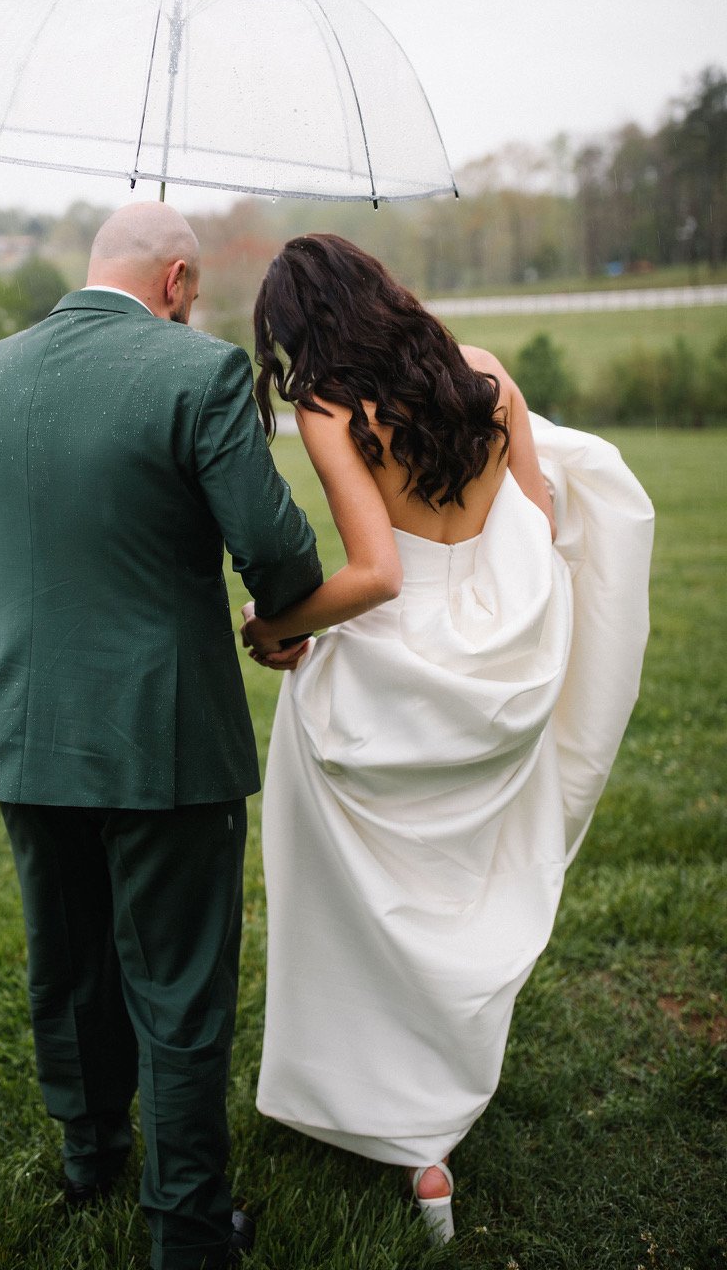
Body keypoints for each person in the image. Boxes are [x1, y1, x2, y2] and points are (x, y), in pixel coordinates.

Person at [0, 201, 322, 1270]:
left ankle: (90, 1155)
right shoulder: (198, 374)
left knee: (69, 954)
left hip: (18, 725)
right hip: (161, 734)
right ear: (178, 279)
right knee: (179, 983)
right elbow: (277, 553)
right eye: (193, 290)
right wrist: (275, 622)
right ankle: (187, 1228)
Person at [240, 234, 654, 1243]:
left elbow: (377, 573)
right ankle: (429, 1136)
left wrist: (277, 624)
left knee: (347, 890)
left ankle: (379, 1107)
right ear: (380, 295)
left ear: (299, 329)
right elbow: (541, 523)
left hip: (391, 670)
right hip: (501, 667)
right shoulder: (485, 376)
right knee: (450, 889)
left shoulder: (329, 409)